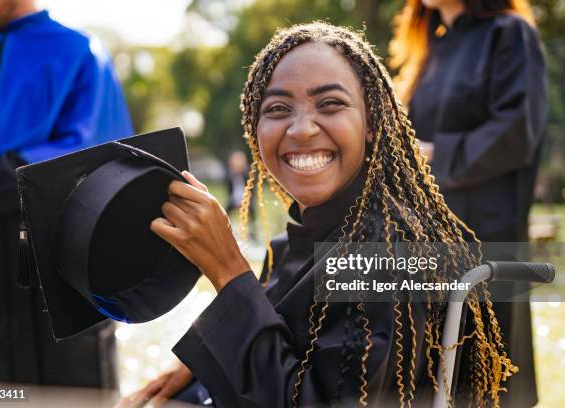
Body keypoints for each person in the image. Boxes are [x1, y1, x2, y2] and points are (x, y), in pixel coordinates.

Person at [118, 22, 517, 407]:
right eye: (277, 108)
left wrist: (227, 270)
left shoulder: (389, 253)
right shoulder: (299, 241)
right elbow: (276, 346)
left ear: (372, 124)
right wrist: (198, 363)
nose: (302, 128)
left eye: (330, 104)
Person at [0, 0, 133, 387]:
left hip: (60, 262)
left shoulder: (80, 53)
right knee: (0, 388)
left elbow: (95, 155)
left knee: (72, 387)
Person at [389, 1, 547, 406]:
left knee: (485, 368)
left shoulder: (509, 34)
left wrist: (434, 154)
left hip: (484, 230)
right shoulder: (430, 46)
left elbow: (517, 130)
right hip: (426, 234)